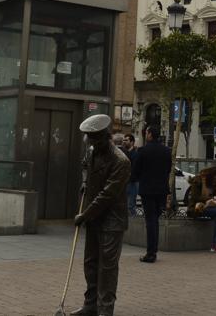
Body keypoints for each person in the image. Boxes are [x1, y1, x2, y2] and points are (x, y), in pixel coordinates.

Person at [72, 114, 130, 316]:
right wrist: (84, 182)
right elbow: (85, 168)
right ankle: (90, 304)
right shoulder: (91, 150)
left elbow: (107, 195)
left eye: (95, 139)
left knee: (107, 267)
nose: (92, 143)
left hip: (112, 220)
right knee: (90, 262)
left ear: (105, 136)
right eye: (90, 139)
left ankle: (105, 308)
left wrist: (84, 215)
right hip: (94, 217)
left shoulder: (121, 161)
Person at [130, 126, 172, 263]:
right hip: (161, 190)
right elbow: (168, 169)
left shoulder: (143, 151)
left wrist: (135, 179)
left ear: (149, 135)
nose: (145, 134)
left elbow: (135, 171)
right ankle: (153, 250)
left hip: (147, 190)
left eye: (146, 132)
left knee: (150, 221)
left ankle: (151, 253)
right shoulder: (166, 151)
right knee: (155, 220)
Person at [120, 133, 138, 217]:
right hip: (124, 182)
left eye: (126, 140)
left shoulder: (135, 153)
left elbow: (134, 168)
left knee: (131, 206)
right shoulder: (123, 152)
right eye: (123, 140)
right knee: (123, 205)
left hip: (132, 182)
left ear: (132, 142)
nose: (124, 142)